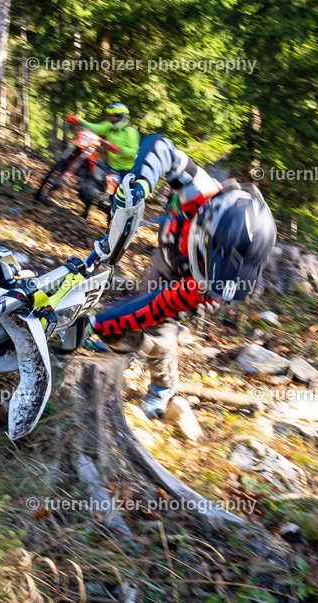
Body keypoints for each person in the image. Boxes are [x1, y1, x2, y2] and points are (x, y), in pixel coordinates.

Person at [87, 134, 277, 418]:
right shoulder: (204, 193)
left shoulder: (210, 285)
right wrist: (140, 184)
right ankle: (123, 346)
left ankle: (163, 386)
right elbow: (162, 148)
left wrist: (94, 324)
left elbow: (155, 306)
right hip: (167, 256)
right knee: (128, 314)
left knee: (159, 332)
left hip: (180, 279)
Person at [67, 103, 141, 173]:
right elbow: (94, 127)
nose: (113, 118)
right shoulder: (109, 128)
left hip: (124, 171)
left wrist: (119, 150)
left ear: (124, 117)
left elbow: (133, 152)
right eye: (112, 116)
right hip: (108, 166)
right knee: (90, 158)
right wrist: (79, 121)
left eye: (116, 116)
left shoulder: (131, 131)